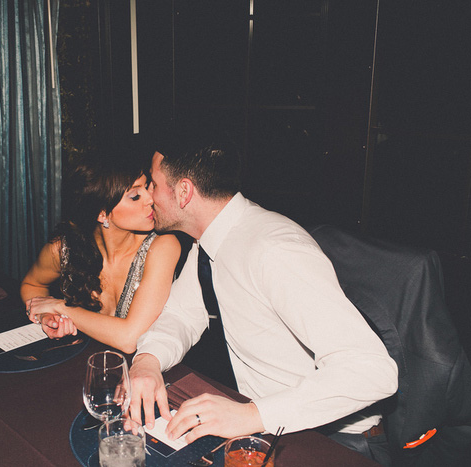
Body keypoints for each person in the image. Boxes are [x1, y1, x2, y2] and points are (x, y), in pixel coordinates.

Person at [128, 134, 398, 464]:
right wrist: (147, 361)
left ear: (183, 192)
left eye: (154, 184)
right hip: (267, 427)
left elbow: (372, 371)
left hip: (336, 441)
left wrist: (252, 414)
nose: (149, 196)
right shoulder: (210, 241)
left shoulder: (273, 249)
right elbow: (182, 315)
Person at [20, 149, 181, 354]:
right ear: (101, 213)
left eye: (147, 187)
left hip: (147, 372)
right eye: (135, 195)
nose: (150, 199)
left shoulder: (163, 247)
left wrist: (59, 308)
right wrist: (45, 316)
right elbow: (31, 284)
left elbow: (129, 339)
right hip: (84, 362)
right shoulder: (65, 248)